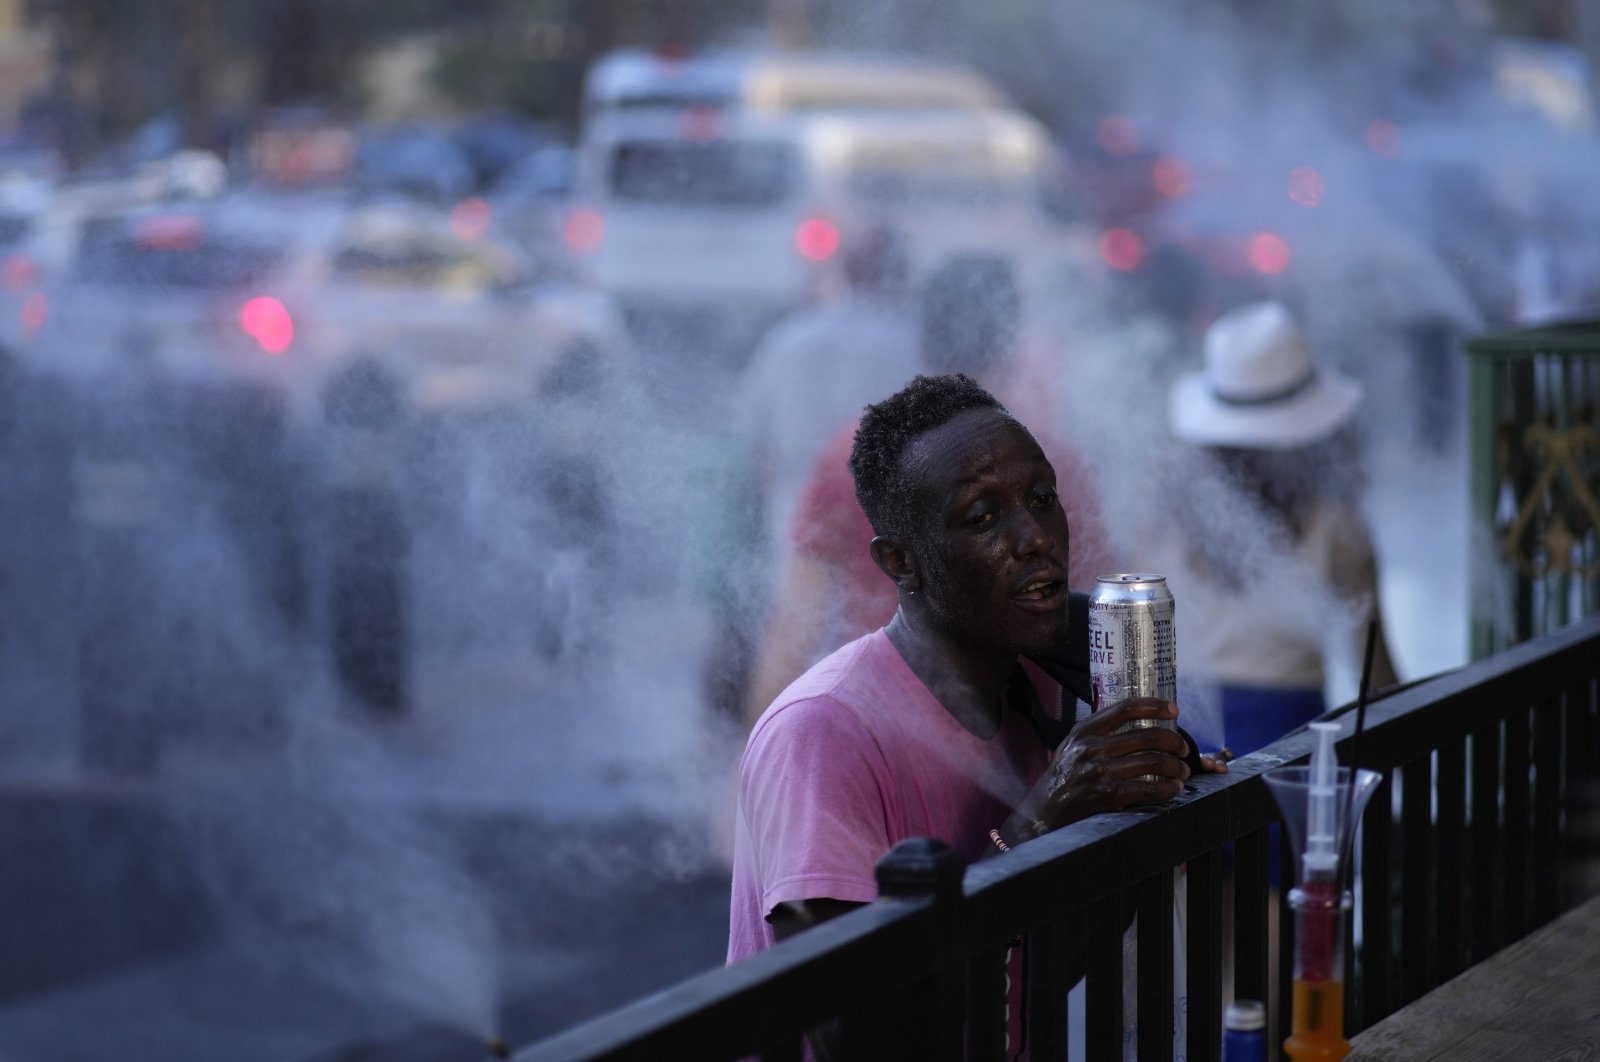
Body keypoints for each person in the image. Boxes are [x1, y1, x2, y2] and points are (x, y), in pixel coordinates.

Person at [727, 373, 1227, 1058]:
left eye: (1042, 499)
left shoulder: (1034, 693)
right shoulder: (823, 731)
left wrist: (1142, 808)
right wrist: (1039, 822)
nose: (1034, 538)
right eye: (983, 517)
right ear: (900, 563)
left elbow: (1033, 972)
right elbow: (861, 1032)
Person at [740, 253, 1113, 724]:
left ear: (922, 342)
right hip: (1015, 731)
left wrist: (757, 745)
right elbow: (1103, 621)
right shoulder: (1049, 461)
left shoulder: (855, 458)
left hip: (878, 720)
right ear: (1010, 341)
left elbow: (795, 623)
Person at [1150, 300, 1399, 755]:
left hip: (1182, 745)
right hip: (1287, 748)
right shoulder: (1339, 529)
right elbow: (1377, 679)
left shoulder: (1167, 517)